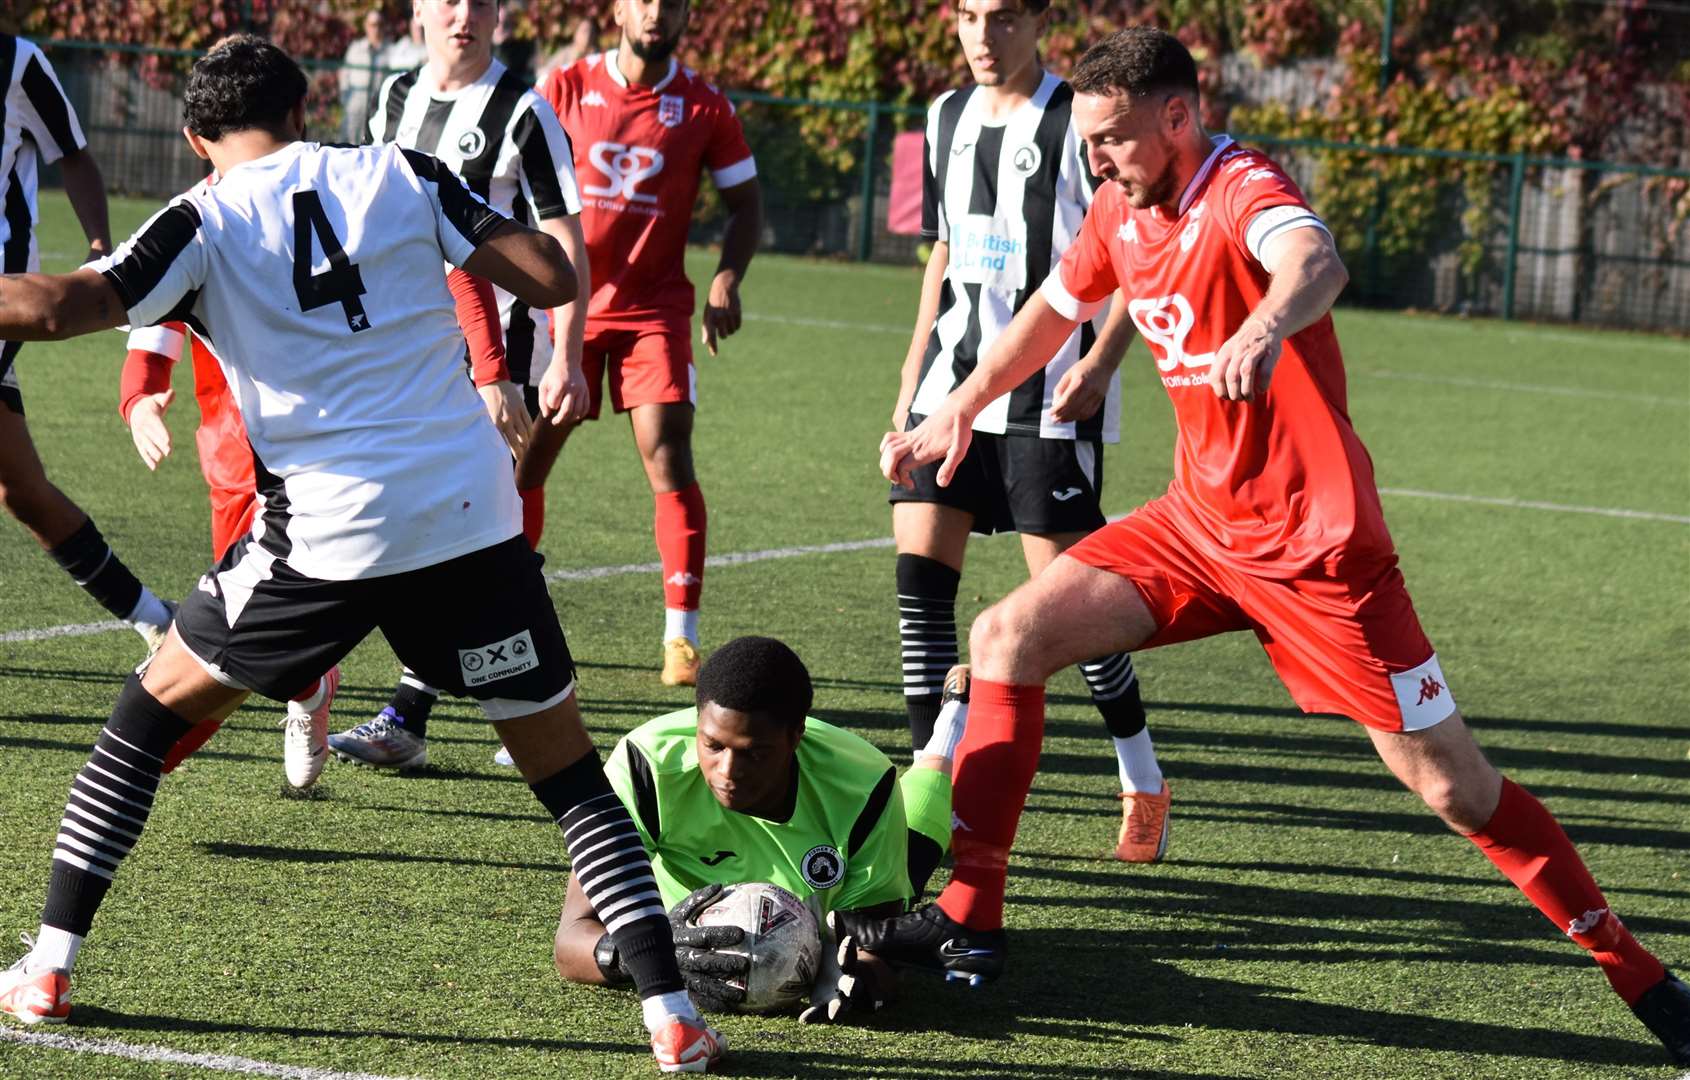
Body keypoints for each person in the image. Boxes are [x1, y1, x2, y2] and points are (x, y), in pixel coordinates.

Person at [845, 26, 1690, 1064]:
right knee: (1006, 635)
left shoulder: (1238, 186)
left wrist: (1265, 324)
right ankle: (971, 913)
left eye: (1112, 139)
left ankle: (1637, 972)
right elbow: (1053, 310)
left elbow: (1311, 257)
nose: (1095, 160)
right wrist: (957, 412)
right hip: (1198, 527)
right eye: (1089, 142)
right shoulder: (1118, 207)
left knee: (1453, 789)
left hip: (1321, 556)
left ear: (1177, 118)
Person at [0, 36, 723, 1072]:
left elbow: (62, 305)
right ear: (303, 109)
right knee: (570, 782)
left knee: (142, 718)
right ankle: (671, 1014)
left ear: (198, 138)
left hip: (325, 538)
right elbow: (552, 274)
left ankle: (51, 968)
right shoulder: (400, 169)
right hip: (473, 517)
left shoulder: (203, 213)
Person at [891, 0, 1169, 863]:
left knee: (1072, 619)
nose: (984, 35)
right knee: (920, 600)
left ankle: (1141, 775)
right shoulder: (940, 118)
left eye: (1004, 16)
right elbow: (942, 254)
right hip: (950, 393)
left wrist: (1104, 361)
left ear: (1039, 19)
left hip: (1050, 402)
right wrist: (910, 391)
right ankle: (925, 787)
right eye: (969, 15)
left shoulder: (1077, 123)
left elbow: (1133, 247)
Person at [118, 244, 521, 788]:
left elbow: (456, 266)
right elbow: (151, 319)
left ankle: (140, 758)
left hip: (328, 470)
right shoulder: (199, 225)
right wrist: (139, 398)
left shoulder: (330, 202)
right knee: (235, 649)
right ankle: (308, 690)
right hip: (233, 463)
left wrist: (492, 369)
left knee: (222, 659)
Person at [337, 0, 592, 770]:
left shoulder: (524, 110)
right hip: (419, 347)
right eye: (448, 0)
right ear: (418, 12)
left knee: (479, 521)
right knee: (455, 521)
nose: (464, 15)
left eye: (481, 2)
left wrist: (567, 357)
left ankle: (423, 712)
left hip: (505, 356)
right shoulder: (394, 99)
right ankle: (514, 701)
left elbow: (566, 243)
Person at [553, 636, 962, 1025]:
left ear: (795, 737)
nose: (728, 772)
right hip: (675, 924)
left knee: (918, 852)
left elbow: (877, 947)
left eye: (754, 753)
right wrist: (651, 956)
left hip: (831, 900)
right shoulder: (646, 766)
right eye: (713, 746)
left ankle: (947, 733)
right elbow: (571, 939)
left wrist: (860, 980)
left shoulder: (863, 784)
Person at [537, 0, 763, 688]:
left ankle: (681, 641)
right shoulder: (563, 89)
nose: (655, 11)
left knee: (668, 450)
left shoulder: (704, 107)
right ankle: (502, 611)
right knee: (524, 459)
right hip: (562, 306)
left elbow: (746, 204)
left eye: (671, 2)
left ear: (688, 16)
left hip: (653, 312)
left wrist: (727, 276)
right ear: (617, 11)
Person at [0, 32, 175, 654]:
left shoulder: (18, 62)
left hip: (4, 294)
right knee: (19, 486)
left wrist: (102, 247)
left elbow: (73, 153)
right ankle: (155, 617)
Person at [340, 9, 388, 142]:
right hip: (355, 105)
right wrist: (345, 99)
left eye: (380, 24)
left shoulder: (389, 51)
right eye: (373, 25)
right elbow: (345, 74)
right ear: (366, 26)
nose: (376, 29)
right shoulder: (356, 48)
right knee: (348, 144)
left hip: (376, 108)